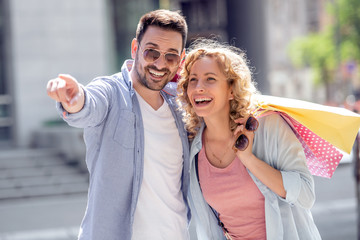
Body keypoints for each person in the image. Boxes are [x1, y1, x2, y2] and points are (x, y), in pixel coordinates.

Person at [46, 9, 191, 240]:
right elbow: (89, 103)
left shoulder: (181, 105)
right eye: (152, 52)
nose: (160, 64)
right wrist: (74, 99)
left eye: (170, 57)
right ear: (135, 48)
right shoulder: (112, 93)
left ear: (181, 60)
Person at [177, 39, 321, 240]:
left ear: (231, 89)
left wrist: (249, 159)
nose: (198, 87)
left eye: (210, 79)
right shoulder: (193, 147)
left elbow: (306, 196)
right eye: (192, 79)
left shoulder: (269, 126)